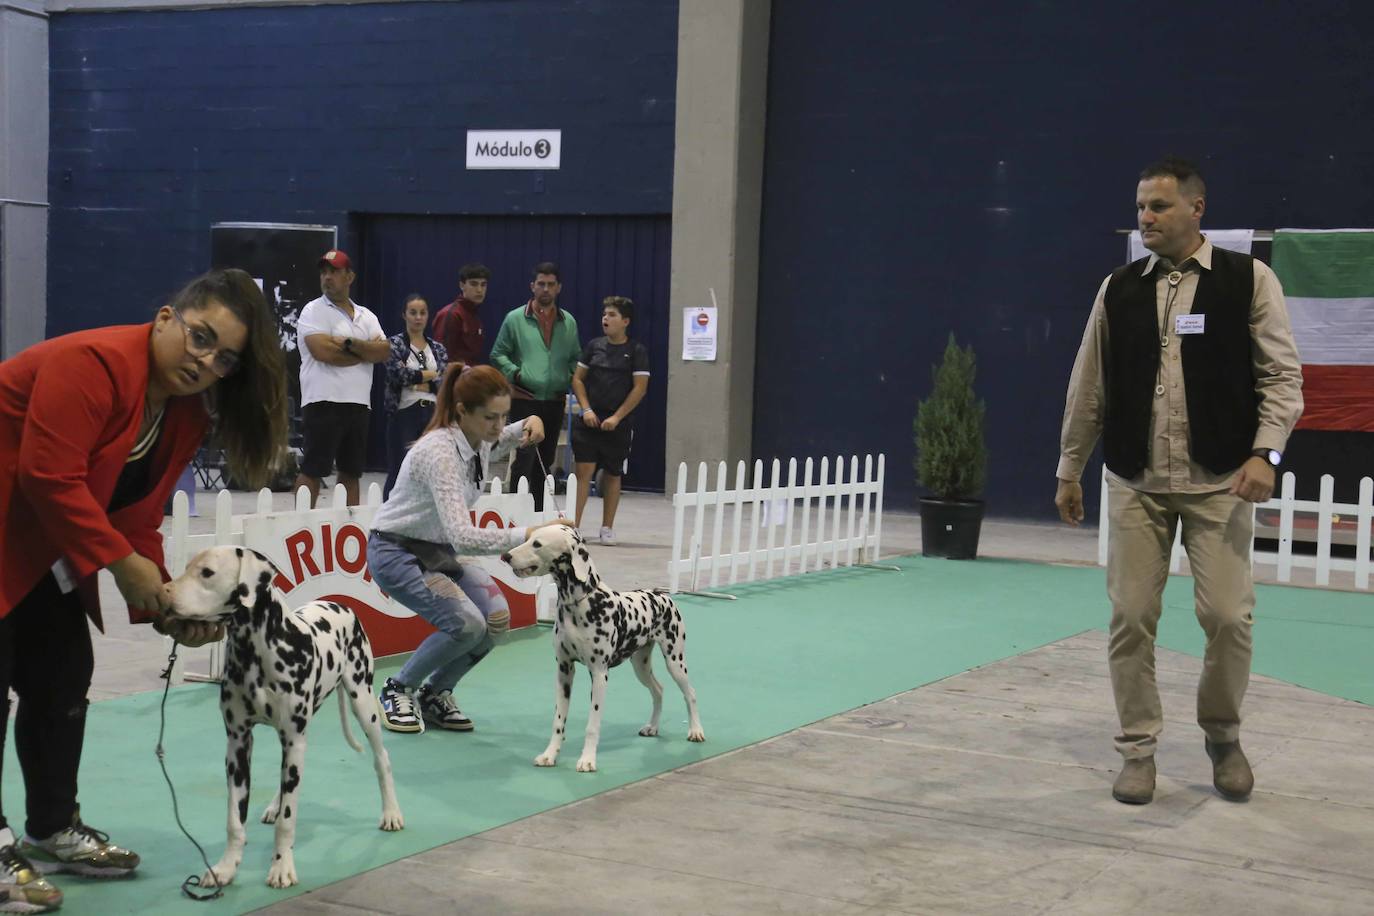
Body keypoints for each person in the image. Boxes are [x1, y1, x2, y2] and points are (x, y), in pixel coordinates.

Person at [0, 268, 288, 911]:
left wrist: (164, 604)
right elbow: (48, 475)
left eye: (224, 358)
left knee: (62, 677)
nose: (205, 361)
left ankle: (51, 828)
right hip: (15, 518)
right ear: (165, 318)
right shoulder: (90, 363)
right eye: (200, 337)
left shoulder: (183, 416)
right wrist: (120, 563)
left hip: (37, 540)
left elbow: (136, 516)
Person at [1055, 157, 1304, 806]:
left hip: (1221, 481)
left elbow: (1282, 378)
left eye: (1159, 206)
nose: (1146, 217)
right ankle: (1137, 750)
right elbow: (1089, 383)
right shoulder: (1118, 289)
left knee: (1227, 618)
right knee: (1131, 616)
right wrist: (1070, 466)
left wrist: (1266, 455)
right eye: (1141, 206)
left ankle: (1223, 736)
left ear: (1197, 209)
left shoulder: (1250, 280)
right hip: (1136, 481)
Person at [366, 364, 569, 733]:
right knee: (466, 624)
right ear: (462, 411)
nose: (498, 425)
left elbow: (508, 436)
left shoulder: (479, 437)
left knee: (496, 618)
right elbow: (462, 537)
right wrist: (529, 533)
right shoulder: (440, 453)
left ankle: (435, 693)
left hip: (436, 550)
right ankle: (398, 688)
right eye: (490, 417)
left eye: (504, 415)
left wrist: (532, 420)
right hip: (395, 552)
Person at [293, 249, 389, 507]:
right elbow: (323, 352)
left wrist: (348, 343)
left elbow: (383, 352)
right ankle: (300, 523)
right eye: (324, 272)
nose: (327, 277)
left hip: (358, 404)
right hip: (323, 401)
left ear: (350, 277)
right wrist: (364, 351)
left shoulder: (367, 315)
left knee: (351, 471)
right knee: (313, 468)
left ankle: (349, 525)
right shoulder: (312, 311)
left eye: (334, 272)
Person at [489, 261, 581, 510]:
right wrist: (517, 374)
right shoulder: (515, 319)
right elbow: (498, 354)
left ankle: (539, 512)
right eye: (541, 284)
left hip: (555, 399)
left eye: (551, 284)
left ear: (559, 287)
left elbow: (576, 357)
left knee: (546, 459)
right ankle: (515, 511)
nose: (546, 289)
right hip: (524, 397)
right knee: (525, 456)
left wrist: (566, 376)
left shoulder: (568, 322)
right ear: (532, 286)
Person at [569, 296, 650, 545]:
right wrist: (586, 409)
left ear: (625, 321)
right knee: (583, 473)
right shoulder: (593, 346)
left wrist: (616, 417)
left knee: (613, 474)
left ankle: (607, 528)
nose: (606, 318)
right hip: (589, 421)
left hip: (618, 424)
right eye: (605, 314)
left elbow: (640, 388)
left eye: (612, 315)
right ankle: (573, 527)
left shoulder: (636, 351)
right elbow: (578, 379)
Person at [382, 294, 449, 500]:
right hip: (404, 412)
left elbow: (444, 381)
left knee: (431, 469)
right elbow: (397, 375)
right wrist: (429, 375)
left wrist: (416, 379)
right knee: (399, 469)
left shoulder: (437, 348)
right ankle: (389, 514)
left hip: (433, 414)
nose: (418, 317)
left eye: (422, 313)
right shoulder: (394, 344)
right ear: (404, 315)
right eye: (413, 313)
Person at [432, 263, 490, 369]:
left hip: (470, 376)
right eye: (474, 284)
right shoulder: (451, 314)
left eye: (483, 285)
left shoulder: (473, 315)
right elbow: (441, 359)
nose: (479, 290)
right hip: (453, 377)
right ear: (462, 285)